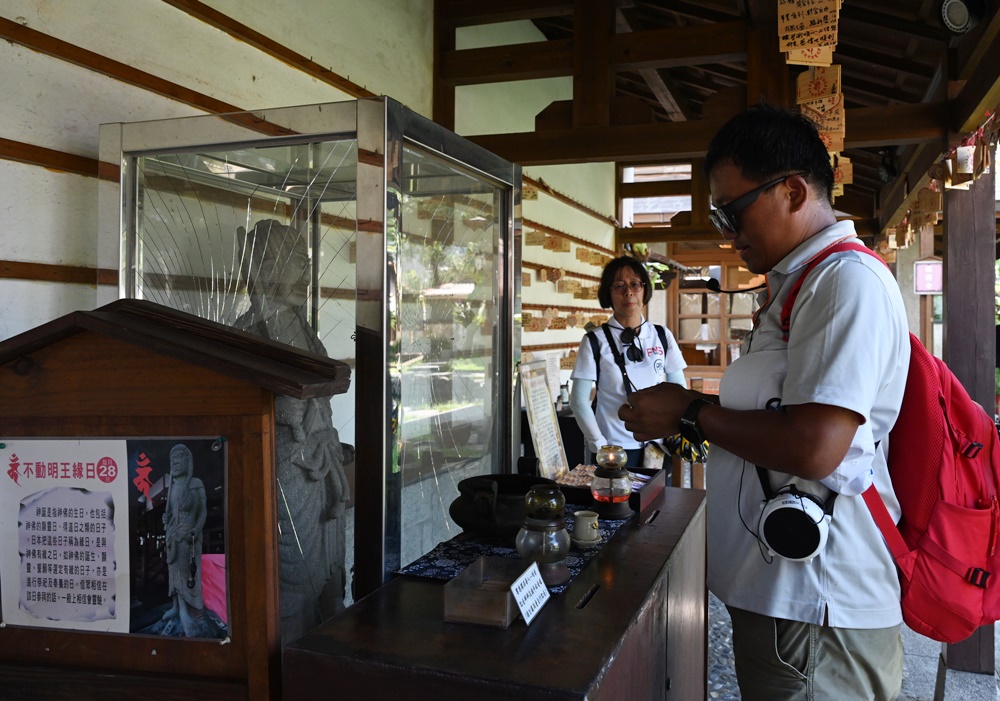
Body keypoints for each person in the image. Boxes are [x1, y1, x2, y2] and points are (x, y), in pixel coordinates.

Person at [619, 104, 910, 700]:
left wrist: (690, 411)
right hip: (788, 599)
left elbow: (815, 445)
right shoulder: (801, 287)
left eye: (733, 209)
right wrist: (693, 420)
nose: (727, 230)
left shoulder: (843, 282)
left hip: (819, 609)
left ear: (794, 190)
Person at [570, 255, 687, 466]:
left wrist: (671, 429)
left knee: (659, 499)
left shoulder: (661, 335)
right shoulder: (595, 340)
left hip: (657, 447)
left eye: (635, 284)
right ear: (609, 293)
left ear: (644, 289)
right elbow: (578, 400)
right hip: (614, 449)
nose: (628, 292)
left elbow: (679, 389)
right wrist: (600, 445)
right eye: (619, 286)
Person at [161, 442, 208, 637]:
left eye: (179, 458)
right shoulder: (172, 488)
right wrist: (167, 518)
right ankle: (177, 607)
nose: (175, 463)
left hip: (189, 535)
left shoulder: (195, 483)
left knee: (186, 571)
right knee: (174, 572)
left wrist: (196, 530)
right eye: (172, 460)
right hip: (173, 534)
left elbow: (202, 511)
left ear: (187, 461)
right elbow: (172, 513)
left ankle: (186, 610)